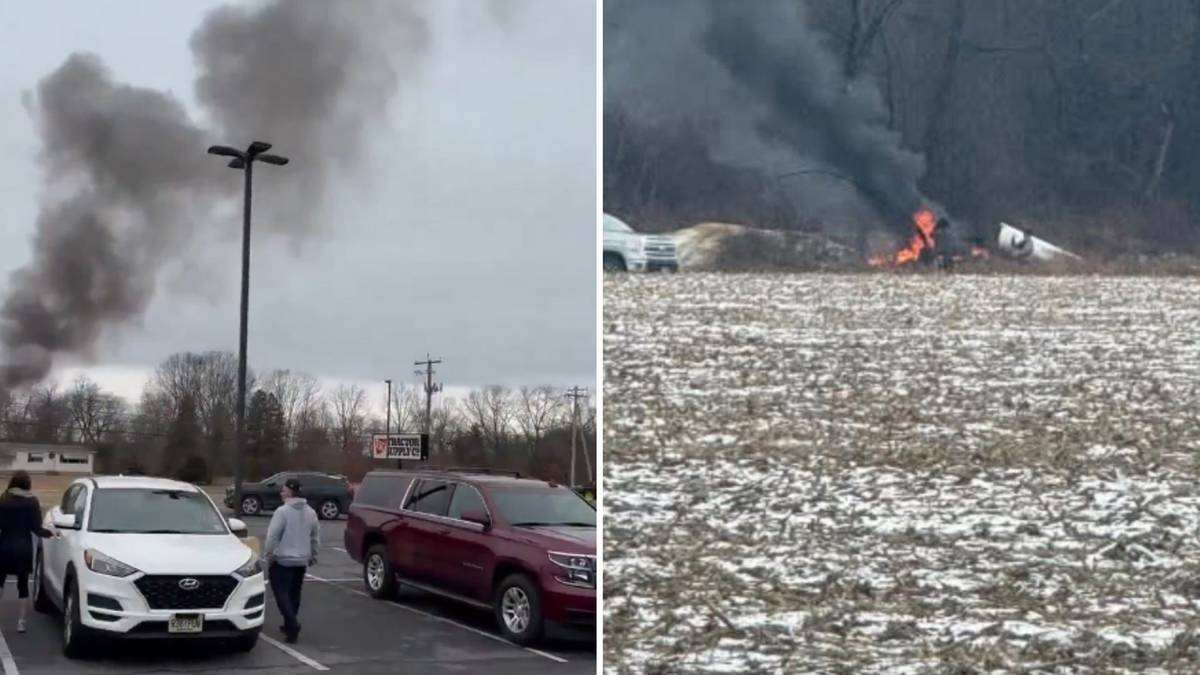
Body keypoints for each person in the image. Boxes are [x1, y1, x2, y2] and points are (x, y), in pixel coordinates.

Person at [263, 477, 319, 643]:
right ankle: (289, 623)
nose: (281, 492)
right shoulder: (311, 512)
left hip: (283, 560)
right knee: (295, 593)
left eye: (284, 490)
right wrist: (313, 555)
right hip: (301, 560)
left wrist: (269, 554)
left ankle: (292, 624)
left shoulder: (282, 512)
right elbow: (315, 536)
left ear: (290, 492)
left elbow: (273, 535)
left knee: (281, 594)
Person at [0, 471, 57, 633]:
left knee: (0, 581)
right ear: (27, 485)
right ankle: (21, 622)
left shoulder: (3, 500)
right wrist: (52, 533)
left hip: (4, 545)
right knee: (23, 585)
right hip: (24, 547)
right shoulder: (32, 502)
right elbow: (37, 529)